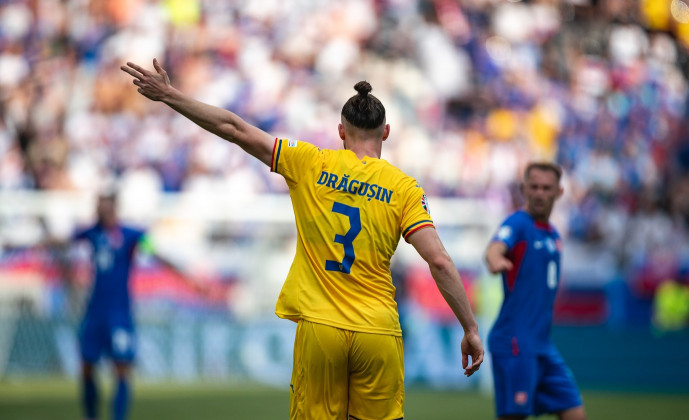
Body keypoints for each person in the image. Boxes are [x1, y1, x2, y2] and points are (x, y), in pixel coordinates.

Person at [121, 58, 483, 419]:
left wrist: (170, 95)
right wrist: (469, 327)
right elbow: (438, 260)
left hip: (320, 328)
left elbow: (234, 128)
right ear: (385, 132)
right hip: (378, 330)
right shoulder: (404, 189)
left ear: (341, 131)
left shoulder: (309, 163)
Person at [69, 191, 200, 420]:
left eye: (103, 205)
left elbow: (155, 253)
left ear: (113, 207)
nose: (99, 209)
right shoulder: (91, 233)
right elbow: (63, 241)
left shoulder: (131, 235)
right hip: (94, 311)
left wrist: (187, 277)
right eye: (98, 205)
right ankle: (90, 415)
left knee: (122, 369)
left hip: (119, 313)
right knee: (86, 366)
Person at [484, 162, 586, 420]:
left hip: (542, 344)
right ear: (524, 189)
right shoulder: (518, 223)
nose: (540, 193)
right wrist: (495, 260)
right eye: (534, 187)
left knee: (575, 412)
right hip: (515, 343)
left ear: (559, 192)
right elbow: (495, 247)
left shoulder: (553, 235)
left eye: (546, 188)